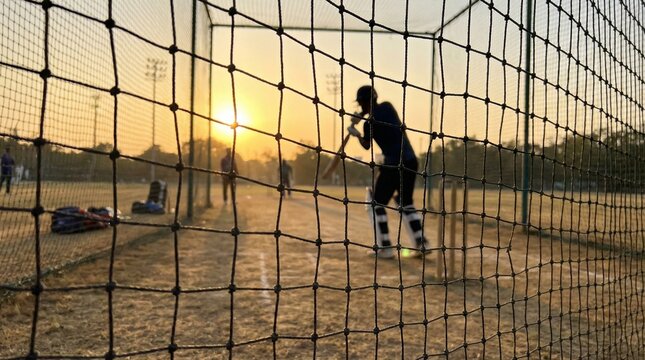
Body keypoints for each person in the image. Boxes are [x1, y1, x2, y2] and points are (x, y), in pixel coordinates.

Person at [348, 86, 427, 258]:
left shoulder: (368, 124)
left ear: (362, 102)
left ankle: (385, 247)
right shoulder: (388, 107)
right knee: (405, 202)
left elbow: (366, 144)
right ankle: (421, 243)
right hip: (410, 160)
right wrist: (361, 117)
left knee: (375, 203)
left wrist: (355, 133)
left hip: (393, 164)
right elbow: (378, 116)